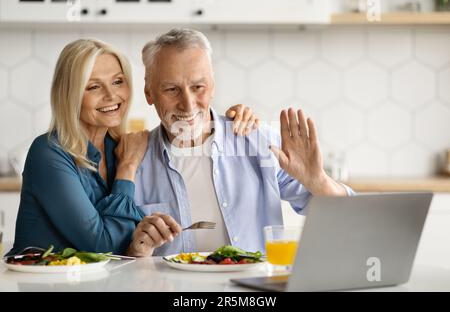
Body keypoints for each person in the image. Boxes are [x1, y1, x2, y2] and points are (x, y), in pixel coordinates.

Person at [6, 38, 259, 256]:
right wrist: (126, 169)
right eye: (94, 86)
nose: (111, 95)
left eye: (117, 81)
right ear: (69, 94)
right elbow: (101, 245)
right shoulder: (49, 153)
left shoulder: (119, 147)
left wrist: (231, 124)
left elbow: (127, 247)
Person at [127, 28, 354, 257]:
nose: (187, 104)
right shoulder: (133, 161)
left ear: (213, 85)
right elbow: (117, 261)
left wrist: (319, 181)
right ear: (149, 92)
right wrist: (137, 250)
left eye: (198, 87)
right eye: (171, 89)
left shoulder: (258, 141)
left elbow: (349, 216)